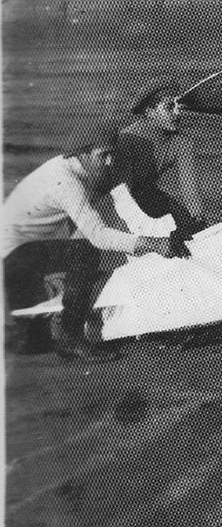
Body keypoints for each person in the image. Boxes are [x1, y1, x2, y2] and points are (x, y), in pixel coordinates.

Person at [4, 128, 183, 361]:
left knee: (32, 340)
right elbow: (98, 235)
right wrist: (153, 244)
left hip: (19, 250)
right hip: (12, 257)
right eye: (103, 155)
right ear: (82, 154)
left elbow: (79, 223)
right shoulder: (66, 180)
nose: (109, 162)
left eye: (112, 154)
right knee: (85, 253)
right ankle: (71, 338)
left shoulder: (73, 168)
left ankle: (44, 321)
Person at [116, 77, 207, 239]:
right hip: (116, 200)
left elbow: (190, 191)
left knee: (193, 224)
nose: (178, 113)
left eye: (179, 107)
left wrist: (199, 220)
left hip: (149, 197)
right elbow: (120, 194)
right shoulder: (127, 139)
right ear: (150, 112)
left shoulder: (182, 143)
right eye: (169, 107)